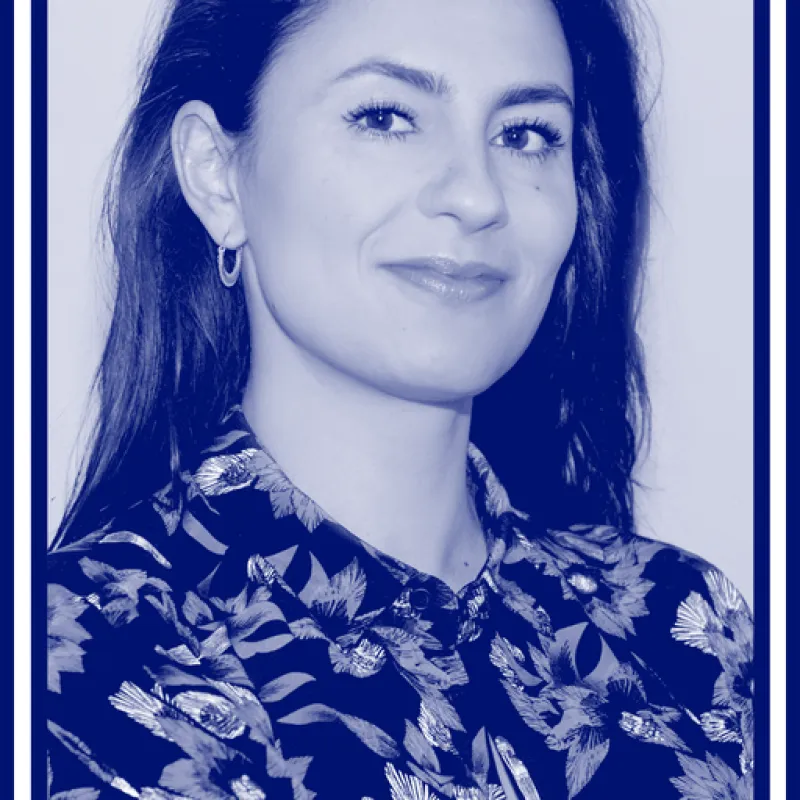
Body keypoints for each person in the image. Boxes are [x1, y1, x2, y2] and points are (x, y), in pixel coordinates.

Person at [46, 0, 754, 797]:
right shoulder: (81, 659)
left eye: (526, 134)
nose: (477, 195)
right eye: (385, 118)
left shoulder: (684, 631)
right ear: (217, 173)